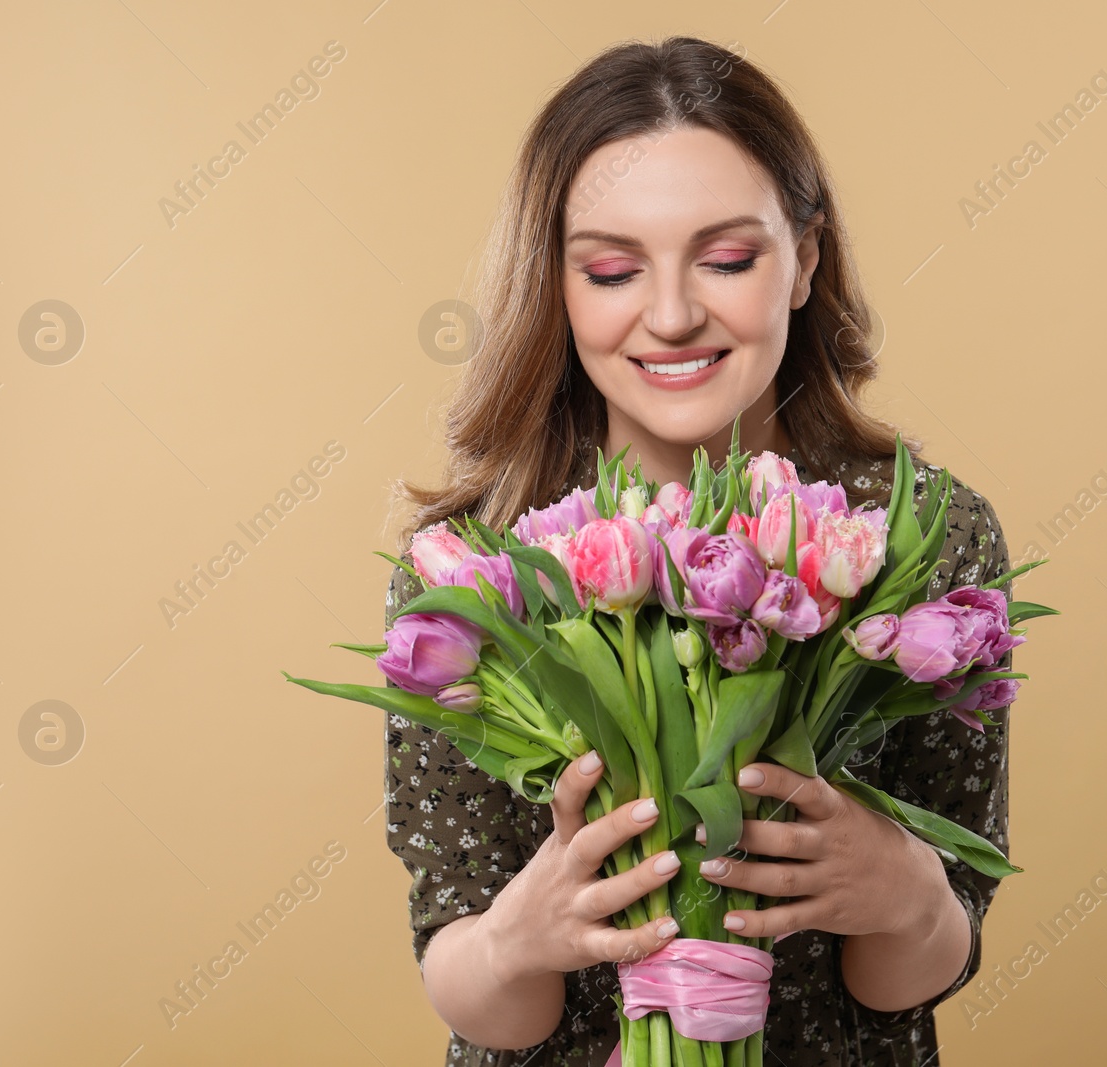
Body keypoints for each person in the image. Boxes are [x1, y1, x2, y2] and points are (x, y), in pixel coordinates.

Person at [382, 35, 1015, 1066]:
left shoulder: (911, 539)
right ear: (557, 283)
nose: (672, 315)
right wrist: (513, 937)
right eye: (610, 268)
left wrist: (904, 891)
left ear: (805, 260)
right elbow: (476, 991)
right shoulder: (474, 566)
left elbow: (907, 979)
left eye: (727, 259)